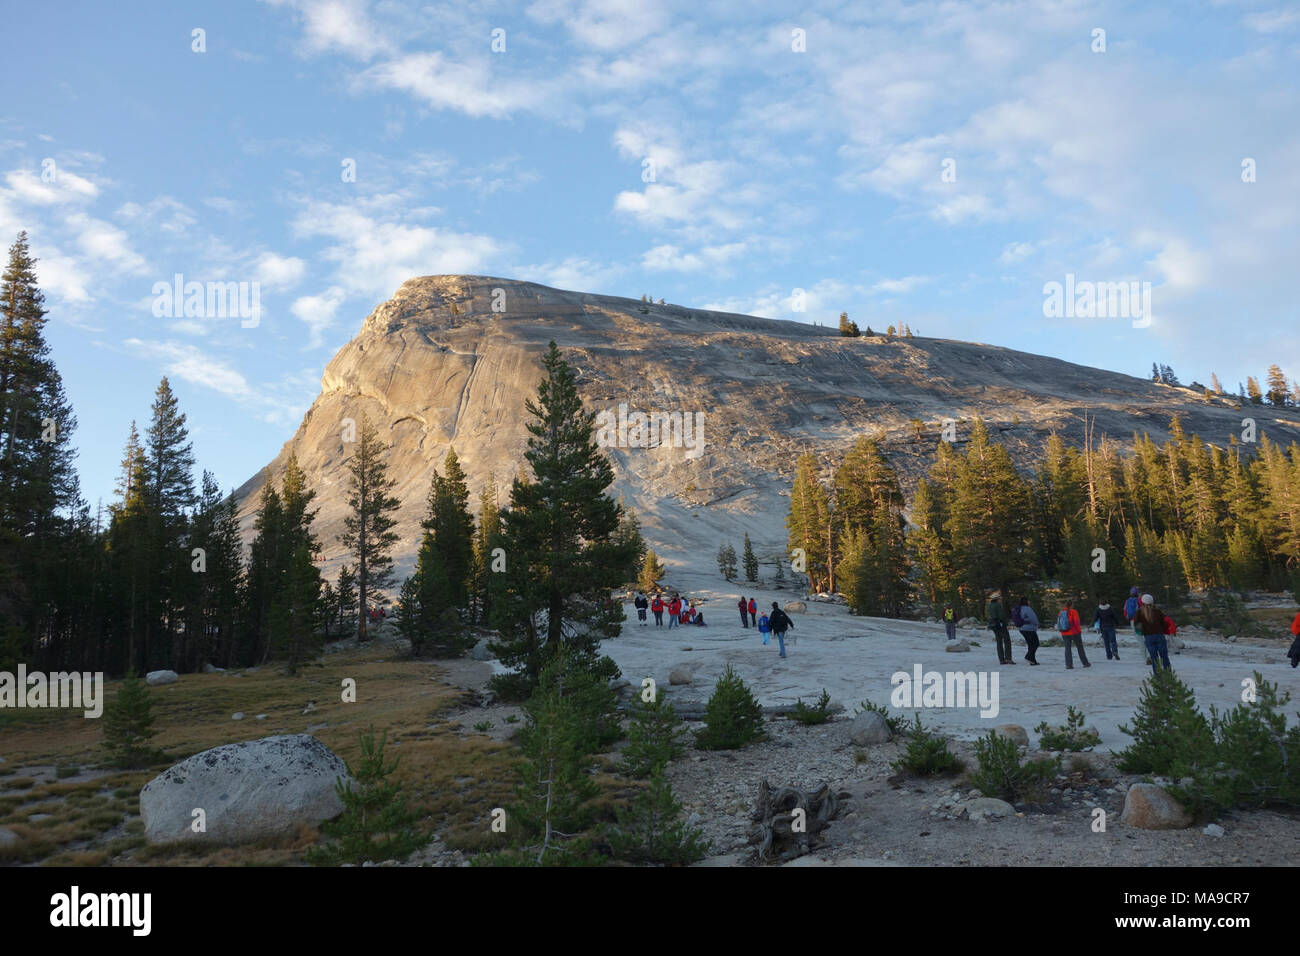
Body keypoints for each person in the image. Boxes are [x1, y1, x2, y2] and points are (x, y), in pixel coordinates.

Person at [1135, 594, 1171, 674]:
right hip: (1159, 635)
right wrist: (1162, 629)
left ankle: (1157, 677)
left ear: (1142, 602)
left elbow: (1136, 625)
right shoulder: (1158, 611)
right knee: (1164, 657)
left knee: (1154, 659)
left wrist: (1142, 632)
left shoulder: (1139, 612)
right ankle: (1168, 675)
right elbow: (1165, 622)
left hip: (1148, 637)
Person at [1058, 599, 1089, 669]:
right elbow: (1076, 623)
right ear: (1072, 605)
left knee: (1067, 648)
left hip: (1064, 633)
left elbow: (1059, 623)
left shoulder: (1061, 612)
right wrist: (1079, 631)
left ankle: (1068, 665)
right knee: (1080, 648)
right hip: (1074, 632)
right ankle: (1085, 663)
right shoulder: (1073, 612)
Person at [986, 591, 1015, 665]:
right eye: (999, 598)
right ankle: (1008, 658)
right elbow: (1001, 615)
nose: (1000, 599)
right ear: (997, 599)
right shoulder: (998, 605)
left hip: (992, 625)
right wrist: (1005, 622)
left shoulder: (989, 606)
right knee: (1007, 641)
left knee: (999, 642)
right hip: (1000, 624)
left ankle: (1001, 659)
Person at [1017, 596, 1040, 665]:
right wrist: (1037, 624)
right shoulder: (1027, 609)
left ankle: (1033, 661)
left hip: (1022, 628)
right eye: (1028, 600)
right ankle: (1028, 656)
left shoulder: (1019, 608)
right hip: (1029, 629)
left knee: (1031, 645)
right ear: (1026, 601)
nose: (1029, 602)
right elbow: (1033, 618)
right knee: (1036, 644)